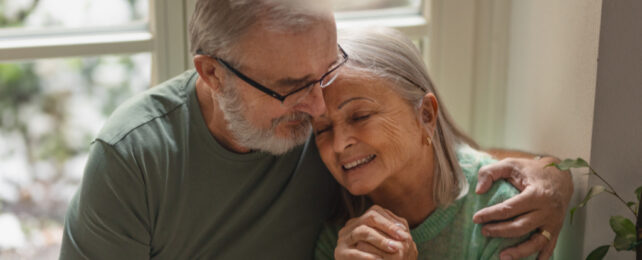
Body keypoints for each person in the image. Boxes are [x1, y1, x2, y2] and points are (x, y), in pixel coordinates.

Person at [59, 0, 572, 259]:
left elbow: (445, 154)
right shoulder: (133, 158)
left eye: (326, 70)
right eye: (290, 86)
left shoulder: (325, 134)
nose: (316, 103)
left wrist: (553, 176)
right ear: (213, 75)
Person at [312, 27, 547, 260]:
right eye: (322, 129)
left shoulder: (504, 210)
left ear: (425, 115)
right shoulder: (338, 237)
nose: (339, 144)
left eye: (360, 116)